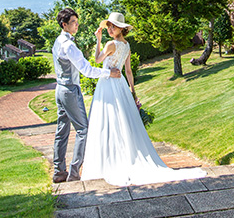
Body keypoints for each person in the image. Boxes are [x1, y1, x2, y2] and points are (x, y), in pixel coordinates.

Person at [81, 12, 206, 186]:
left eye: (114, 26)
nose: (110, 29)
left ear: (121, 29)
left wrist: (98, 39)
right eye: (109, 26)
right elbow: (128, 72)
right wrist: (132, 92)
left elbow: (96, 59)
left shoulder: (110, 44)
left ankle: (110, 160)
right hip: (121, 85)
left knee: (108, 121)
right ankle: (120, 156)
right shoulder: (127, 45)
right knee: (122, 121)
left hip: (108, 84)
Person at [52, 7, 121, 183]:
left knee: (62, 131)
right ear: (64, 24)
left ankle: (59, 171)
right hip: (70, 91)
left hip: (59, 89)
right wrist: (108, 73)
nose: (77, 25)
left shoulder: (58, 41)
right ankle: (74, 172)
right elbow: (87, 70)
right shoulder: (69, 45)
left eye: (77, 21)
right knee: (83, 130)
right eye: (73, 22)